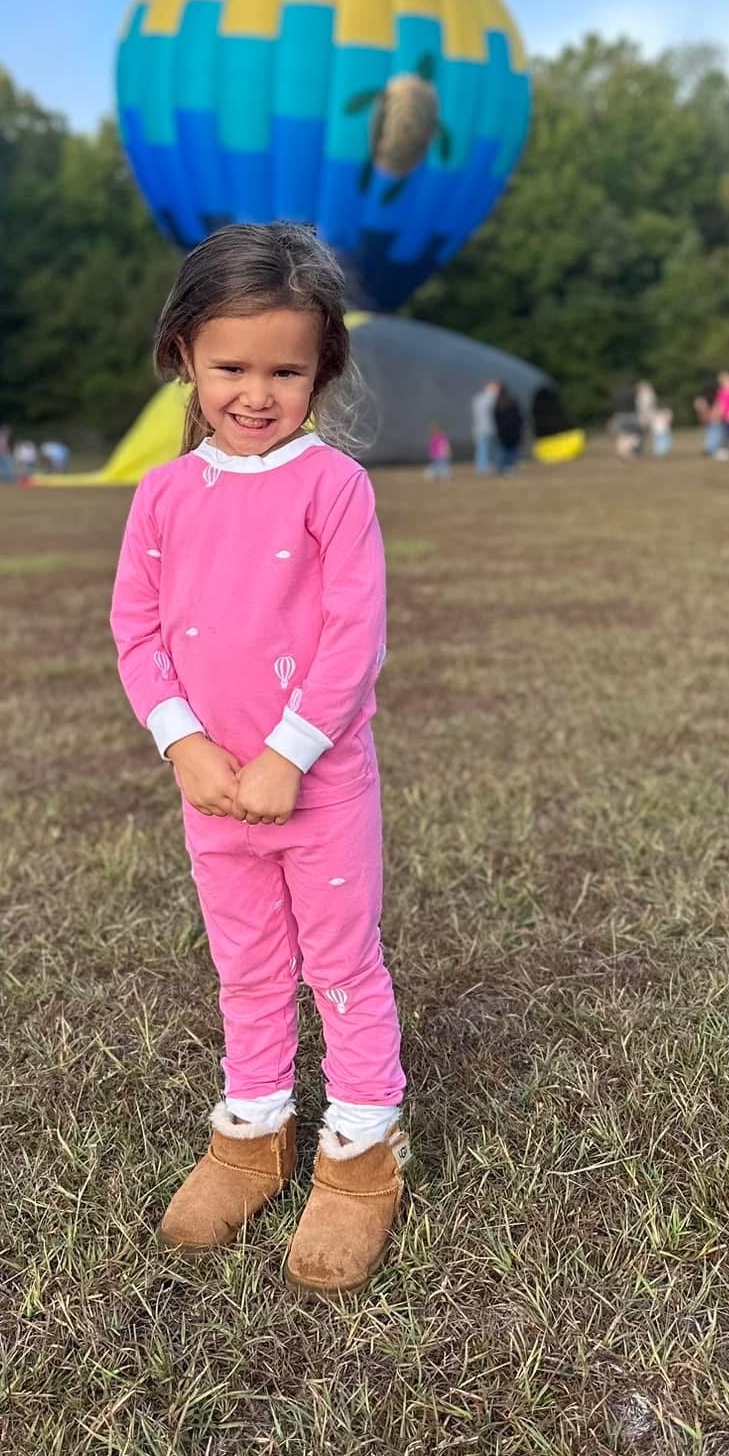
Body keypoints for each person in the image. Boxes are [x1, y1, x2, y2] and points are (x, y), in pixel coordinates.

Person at [110, 222, 407, 1297]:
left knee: (338, 961)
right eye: (232, 364)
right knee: (244, 963)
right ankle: (253, 1132)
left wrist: (288, 753)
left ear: (321, 365)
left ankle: (361, 1152)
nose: (256, 390)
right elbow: (135, 628)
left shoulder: (333, 488)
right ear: (185, 352)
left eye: (285, 368)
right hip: (213, 790)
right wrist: (182, 741)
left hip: (314, 787)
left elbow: (351, 635)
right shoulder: (162, 494)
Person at [493, 383, 524, 474]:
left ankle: (502, 468)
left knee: (504, 450)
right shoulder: (512, 401)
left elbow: (496, 419)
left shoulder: (498, 403)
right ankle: (509, 467)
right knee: (512, 450)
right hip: (513, 431)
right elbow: (519, 417)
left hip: (503, 431)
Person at [470, 380, 498, 476]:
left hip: (480, 428)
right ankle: (485, 468)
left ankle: (482, 468)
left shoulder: (478, 398)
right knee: (487, 449)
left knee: (482, 449)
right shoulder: (493, 399)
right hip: (489, 428)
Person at [694, 390, 723, 458]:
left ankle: (710, 449)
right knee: (714, 435)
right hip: (714, 420)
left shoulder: (701, 400)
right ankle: (711, 449)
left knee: (712, 434)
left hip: (712, 420)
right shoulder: (714, 399)